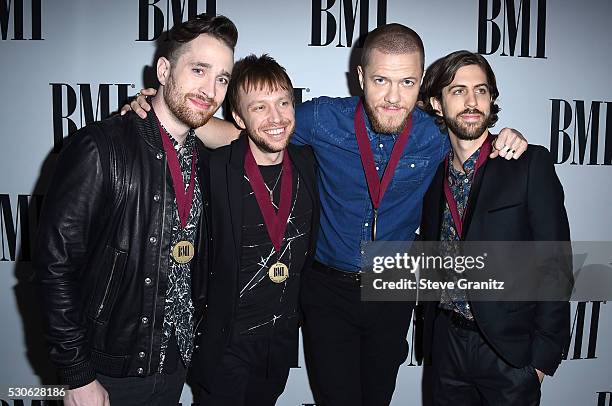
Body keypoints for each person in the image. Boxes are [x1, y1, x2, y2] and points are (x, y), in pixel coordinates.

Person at [124, 23, 528, 405]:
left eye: (406, 82)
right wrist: (163, 114)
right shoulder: (322, 118)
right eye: (380, 80)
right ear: (360, 76)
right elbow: (249, 135)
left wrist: (507, 137)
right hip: (328, 286)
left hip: (394, 282)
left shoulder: (433, 133)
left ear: (421, 82)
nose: (392, 96)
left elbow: (474, 139)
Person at [33, 14, 237, 406]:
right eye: (199, 70)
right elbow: (55, 268)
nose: (210, 89)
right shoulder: (100, 148)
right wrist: (77, 377)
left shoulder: (205, 158)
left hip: (175, 364)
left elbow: (255, 134)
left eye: (222, 78)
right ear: (164, 70)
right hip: (110, 369)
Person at [418, 50, 572, 405]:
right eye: (458, 91)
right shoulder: (429, 174)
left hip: (510, 352)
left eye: (481, 90)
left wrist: (540, 361)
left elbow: (555, 264)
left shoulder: (528, 163)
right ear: (437, 104)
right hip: (445, 345)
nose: (472, 101)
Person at [190, 53, 319, 406]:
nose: (276, 117)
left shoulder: (310, 163)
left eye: (283, 103)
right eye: (259, 107)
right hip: (225, 344)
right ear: (238, 118)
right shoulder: (215, 169)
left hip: (277, 344)